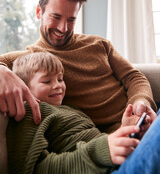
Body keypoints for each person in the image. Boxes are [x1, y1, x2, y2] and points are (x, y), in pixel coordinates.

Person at [0, 0, 157, 134]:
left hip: (144, 118)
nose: (63, 28)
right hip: (117, 135)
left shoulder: (99, 44)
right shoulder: (32, 59)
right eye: (56, 17)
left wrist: (140, 103)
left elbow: (133, 77)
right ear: (39, 12)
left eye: (71, 20)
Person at [1, 52, 160, 174]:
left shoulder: (71, 110)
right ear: (24, 87)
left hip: (119, 161)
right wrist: (102, 151)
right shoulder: (29, 111)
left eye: (60, 79)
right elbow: (34, 169)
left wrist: (125, 131)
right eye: (47, 81)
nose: (58, 86)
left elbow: (96, 144)